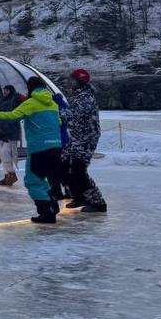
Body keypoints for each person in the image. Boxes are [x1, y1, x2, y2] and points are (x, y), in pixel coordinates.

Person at [0, 76, 64, 224]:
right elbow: (60, 121)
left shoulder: (31, 103)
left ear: (30, 88)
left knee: (32, 181)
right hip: (56, 147)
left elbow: (13, 116)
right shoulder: (53, 104)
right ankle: (52, 206)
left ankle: (46, 213)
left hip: (39, 148)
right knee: (41, 178)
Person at [64, 68, 107, 213]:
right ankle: (79, 197)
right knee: (65, 166)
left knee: (79, 170)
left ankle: (98, 203)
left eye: (73, 80)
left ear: (80, 82)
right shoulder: (78, 96)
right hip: (76, 138)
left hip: (86, 140)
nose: (70, 83)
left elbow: (73, 115)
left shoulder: (86, 97)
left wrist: (60, 109)